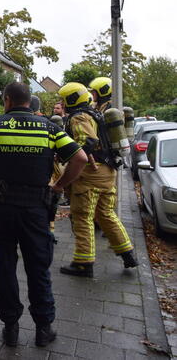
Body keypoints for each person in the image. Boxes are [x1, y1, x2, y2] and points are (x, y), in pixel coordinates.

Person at [0, 82, 87, 347]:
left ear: (7, 100)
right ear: (30, 102)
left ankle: (11, 326)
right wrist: (59, 186)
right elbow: (80, 158)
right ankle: (43, 329)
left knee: (4, 266)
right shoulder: (50, 128)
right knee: (38, 268)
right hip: (35, 211)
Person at [57, 82, 138, 277]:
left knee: (82, 217)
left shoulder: (79, 117)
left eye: (63, 99)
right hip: (107, 172)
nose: (62, 103)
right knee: (106, 214)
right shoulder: (96, 113)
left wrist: (67, 155)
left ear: (72, 99)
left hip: (90, 175)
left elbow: (87, 140)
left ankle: (83, 263)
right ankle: (127, 254)